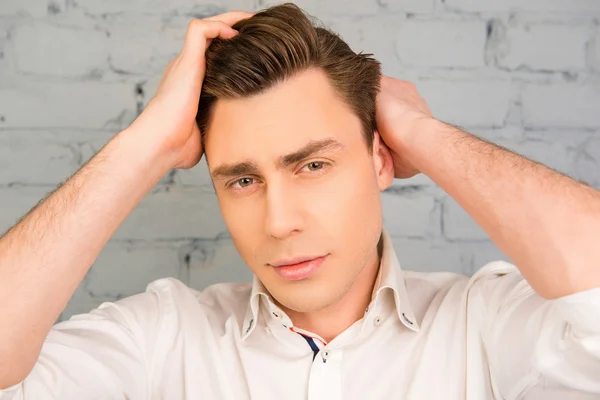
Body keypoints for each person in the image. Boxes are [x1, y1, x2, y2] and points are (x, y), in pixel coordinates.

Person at [0, 3, 599, 399]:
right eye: (241, 180)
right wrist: (142, 146)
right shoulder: (162, 338)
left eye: (313, 164)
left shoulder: (484, 326)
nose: (279, 221)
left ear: (378, 157)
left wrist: (421, 132)